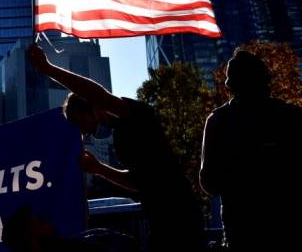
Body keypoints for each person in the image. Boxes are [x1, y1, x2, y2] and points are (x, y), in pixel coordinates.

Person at [28, 44, 206, 252]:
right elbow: (137, 182)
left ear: (91, 106)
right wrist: (99, 169)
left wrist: (48, 69)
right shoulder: (120, 136)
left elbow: (97, 94)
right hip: (159, 218)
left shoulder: (132, 114)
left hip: (179, 213)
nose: (84, 132)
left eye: (80, 122)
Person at [200, 49, 302, 251]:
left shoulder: (219, 120)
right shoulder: (293, 116)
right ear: (266, 81)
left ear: (230, 86)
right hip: (288, 230)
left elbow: (209, 182)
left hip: (251, 230)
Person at [2, 206, 137, 252]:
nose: (48, 222)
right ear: (32, 242)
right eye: (41, 222)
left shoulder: (83, 240)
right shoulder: (81, 245)